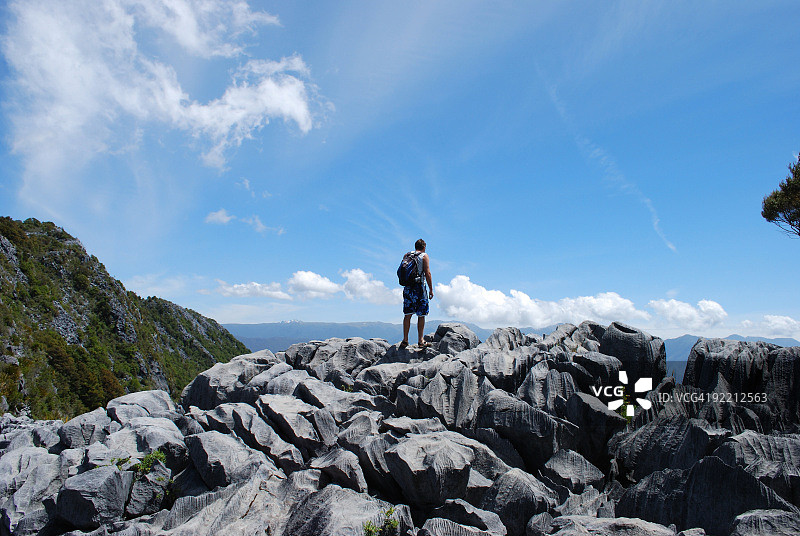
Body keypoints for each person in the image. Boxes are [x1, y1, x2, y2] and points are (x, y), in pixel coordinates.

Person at [400, 239, 433, 348]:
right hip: (419, 287)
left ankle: (405, 340)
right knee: (421, 314)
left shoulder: (407, 255)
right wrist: (431, 289)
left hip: (408, 288)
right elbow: (427, 273)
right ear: (424, 247)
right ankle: (421, 340)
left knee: (407, 314)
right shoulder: (424, 256)